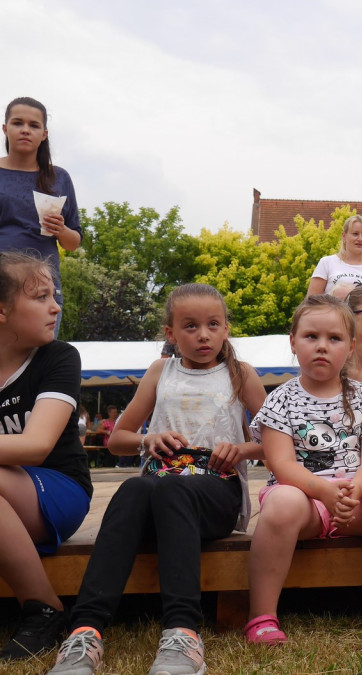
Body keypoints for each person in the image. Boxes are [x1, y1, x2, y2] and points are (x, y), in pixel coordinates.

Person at [47, 283, 266, 675]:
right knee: (135, 485)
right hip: (158, 487)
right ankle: (85, 631)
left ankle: (183, 631)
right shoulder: (160, 371)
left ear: (226, 328)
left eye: (213, 324)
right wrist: (148, 438)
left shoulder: (240, 374)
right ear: (170, 333)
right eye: (190, 326)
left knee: (170, 487)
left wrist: (242, 448)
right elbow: (117, 440)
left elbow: (276, 442)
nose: (203, 335)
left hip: (215, 492)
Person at [245, 295, 362, 647]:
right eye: (311, 337)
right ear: (293, 342)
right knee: (282, 502)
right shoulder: (280, 400)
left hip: (357, 503)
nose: (322, 347)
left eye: (335, 339)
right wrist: (324, 492)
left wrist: (354, 489)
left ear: (352, 346)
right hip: (304, 505)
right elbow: (279, 463)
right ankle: (262, 616)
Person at [0, 253, 91, 660]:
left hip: (57, 489)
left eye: (54, 295)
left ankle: (44, 610)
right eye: (40, 297)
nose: (55, 306)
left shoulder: (59, 357)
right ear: (1, 311)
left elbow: (37, 446)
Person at [0, 98, 82, 337]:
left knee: (37, 363)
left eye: (34, 125)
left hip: (43, 287)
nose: (25, 129)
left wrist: (61, 230)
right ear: (5, 128)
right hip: (2, 282)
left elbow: (74, 242)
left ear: (44, 134)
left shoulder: (59, 178)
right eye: (18, 123)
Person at [307, 214, 362, 300]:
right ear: (344, 236)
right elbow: (311, 302)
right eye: (355, 234)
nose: (360, 239)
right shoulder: (327, 263)